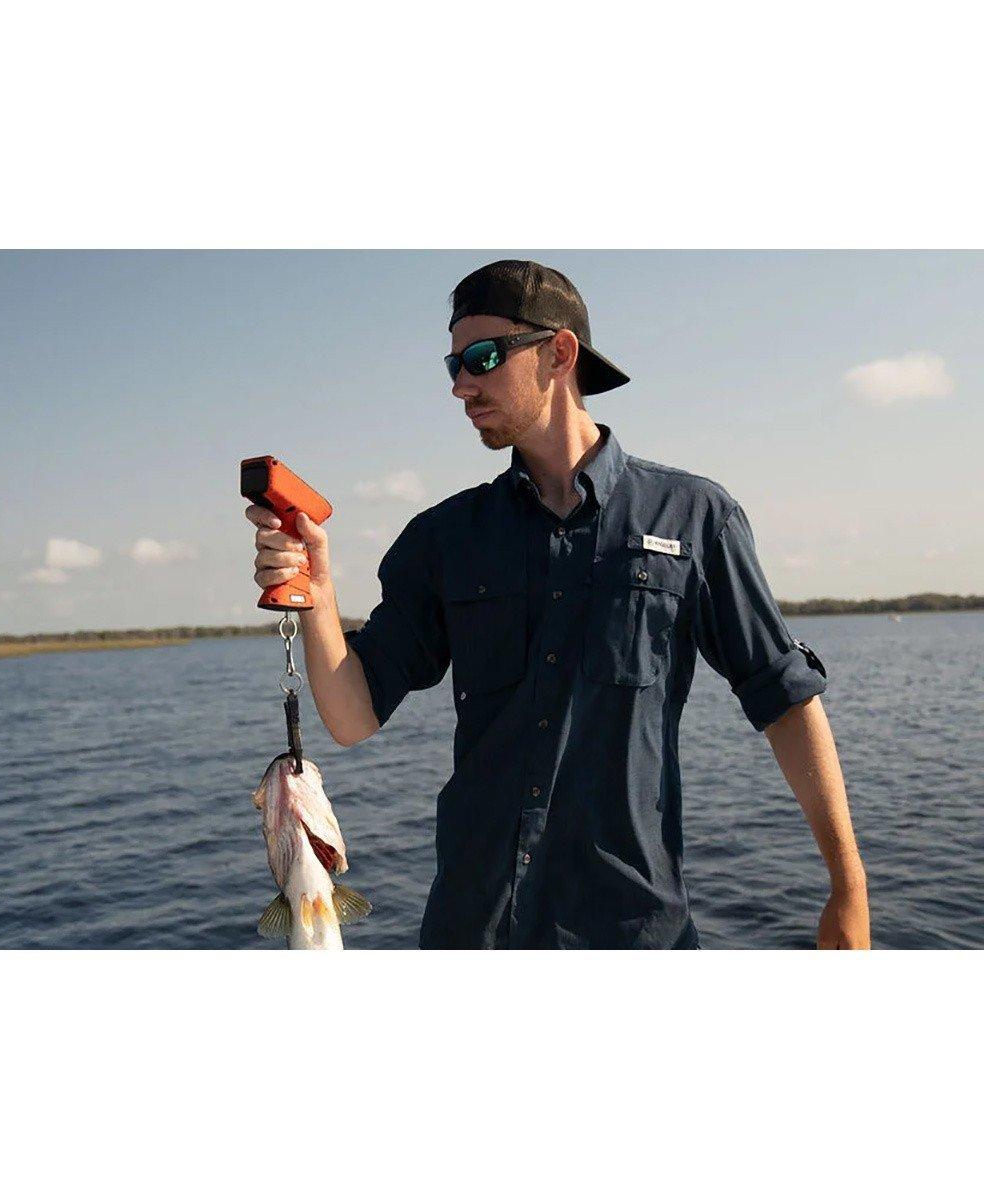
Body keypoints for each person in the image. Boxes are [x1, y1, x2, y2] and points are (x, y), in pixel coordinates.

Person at [244, 258, 870, 950]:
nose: (460, 385)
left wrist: (848, 886)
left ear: (559, 354)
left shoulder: (695, 517)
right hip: (472, 931)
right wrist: (317, 594)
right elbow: (352, 716)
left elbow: (784, 699)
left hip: (633, 933)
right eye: (452, 365)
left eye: (482, 358)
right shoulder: (444, 539)